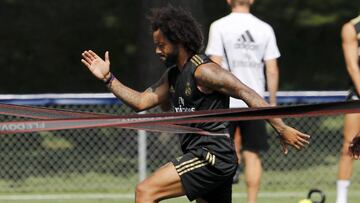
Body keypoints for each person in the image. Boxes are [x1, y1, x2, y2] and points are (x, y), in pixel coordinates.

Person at [81, 6, 310, 203]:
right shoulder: (172, 75)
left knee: (145, 191)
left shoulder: (204, 71)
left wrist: (281, 128)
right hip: (207, 157)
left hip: (211, 156)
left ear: (178, 40)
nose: (157, 51)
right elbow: (142, 101)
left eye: (161, 45)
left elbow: (247, 92)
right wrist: (108, 79)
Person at [205, 0, 280, 202]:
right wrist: (271, 103)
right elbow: (272, 70)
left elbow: (214, 66)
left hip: (226, 103)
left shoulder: (219, 26)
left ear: (229, 1)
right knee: (253, 154)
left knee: (219, 156)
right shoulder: (264, 28)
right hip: (255, 102)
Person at [336, 15, 360, 203]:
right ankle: (341, 199)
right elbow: (353, 67)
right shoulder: (352, 28)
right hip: (357, 96)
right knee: (350, 146)